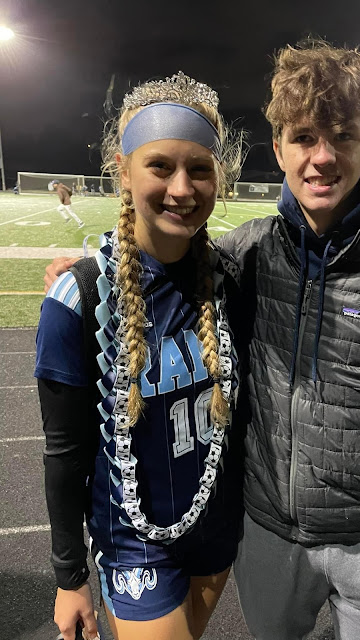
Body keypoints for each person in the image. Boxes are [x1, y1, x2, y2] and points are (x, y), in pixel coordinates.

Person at [43, 40, 360, 640]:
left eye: (343, 136)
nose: (322, 157)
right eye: (304, 137)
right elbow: (166, 256)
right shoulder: (249, 251)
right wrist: (86, 272)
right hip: (268, 536)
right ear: (278, 149)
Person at [36, 71, 244, 640]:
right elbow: (64, 453)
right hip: (134, 544)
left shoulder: (232, 279)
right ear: (123, 171)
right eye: (160, 166)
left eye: (199, 168)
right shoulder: (80, 297)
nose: (182, 188)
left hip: (215, 526)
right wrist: (69, 577)